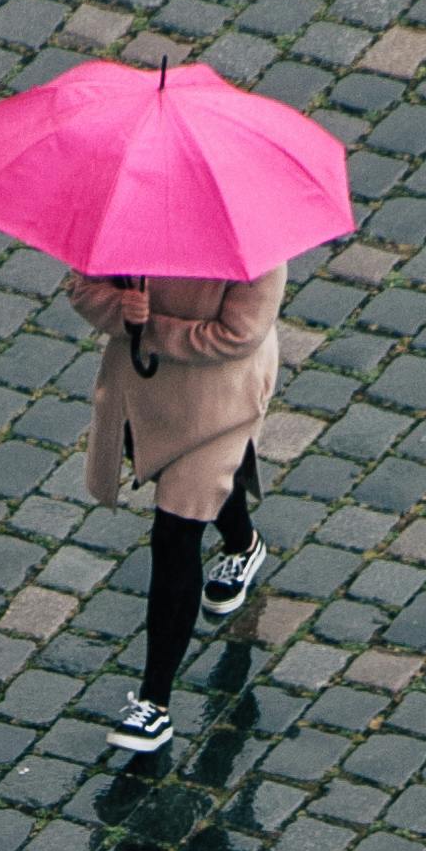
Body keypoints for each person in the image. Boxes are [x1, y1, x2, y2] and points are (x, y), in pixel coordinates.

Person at [65, 264, 286, 758]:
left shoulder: (252, 251)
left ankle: (154, 704)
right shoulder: (130, 230)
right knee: (203, 492)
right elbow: (82, 289)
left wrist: (149, 328)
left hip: (223, 401)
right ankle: (243, 544)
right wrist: (120, 310)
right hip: (148, 390)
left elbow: (237, 335)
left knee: (174, 535)